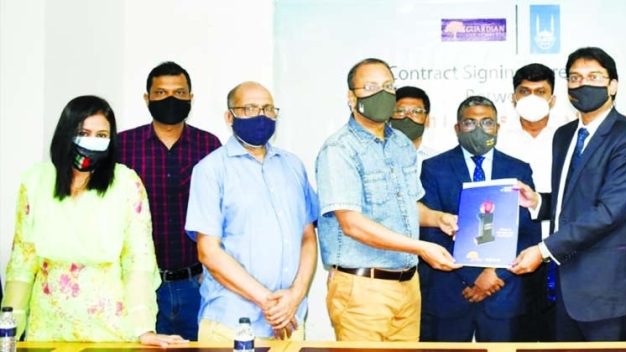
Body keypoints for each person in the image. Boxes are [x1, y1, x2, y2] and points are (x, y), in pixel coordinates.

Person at [1, 96, 186, 346]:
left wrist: (144, 329)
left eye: (101, 135)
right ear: (66, 133)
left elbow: (138, 262)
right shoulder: (35, 181)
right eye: (84, 132)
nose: (92, 141)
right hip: (47, 327)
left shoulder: (126, 183)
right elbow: (21, 261)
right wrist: (9, 328)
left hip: (110, 327)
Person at [315, 58, 461, 342]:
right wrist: (420, 247)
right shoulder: (339, 149)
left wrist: (438, 218)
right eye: (370, 87)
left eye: (388, 86)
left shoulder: (401, 144)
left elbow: (411, 206)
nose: (381, 94)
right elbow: (352, 224)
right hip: (362, 289)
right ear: (351, 97)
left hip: (407, 285)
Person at [511, 47, 626, 341]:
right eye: (575, 77)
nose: (583, 84)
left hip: (608, 290)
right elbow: (572, 200)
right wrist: (539, 202)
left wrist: (543, 249)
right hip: (566, 285)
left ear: (613, 85)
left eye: (594, 76)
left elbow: (610, 211)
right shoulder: (563, 135)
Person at [186, 82, 319, 342]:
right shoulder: (210, 170)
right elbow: (208, 252)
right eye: (250, 108)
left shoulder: (292, 166)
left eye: (268, 109)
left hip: (290, 322)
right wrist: (269, 303)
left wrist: (295, 294)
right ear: (229, 116)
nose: (262, 115)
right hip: (232, 325)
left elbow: (307, 238)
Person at [418, 96, 541, 342]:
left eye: (487, 122)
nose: (479, 129)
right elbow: (431, 232)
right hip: (452, 291)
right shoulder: (434, 168)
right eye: (470, 123)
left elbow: (528, 232)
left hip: (503, 291)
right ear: (457, 128)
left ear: (497, 127)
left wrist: (495, 274)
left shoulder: (518, 169)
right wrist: (474, 277)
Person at [119, 61, 221, 340]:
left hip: (197, 284)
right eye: (161, 93)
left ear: (190, 98)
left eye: (179, 92)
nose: (171, 99)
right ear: (147, 99)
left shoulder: (209, 145)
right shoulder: (122, 146)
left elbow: (223, 211)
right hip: (142, 285)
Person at [495, 62, 571, 341]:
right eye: (525, 91)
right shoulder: (499, 140)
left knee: (558, 336)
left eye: (540, 92)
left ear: (552, 99)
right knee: (516, 335)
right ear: (513, 97)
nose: (532, 98)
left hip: (561, 253)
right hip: (511, 256)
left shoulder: (569, 138)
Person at [391, 86, 436, 174]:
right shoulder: (375, 159)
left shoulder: (437, 160)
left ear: (427, 120)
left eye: (416, 111)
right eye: (400, 111)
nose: (407, 117)